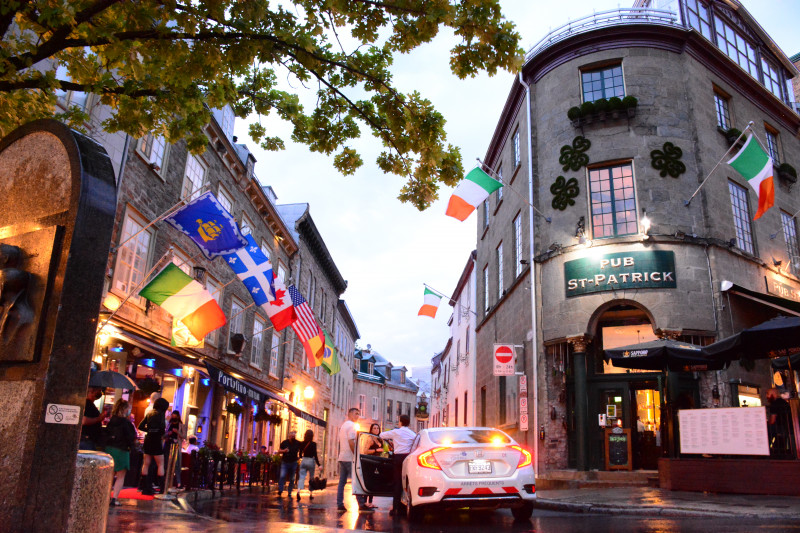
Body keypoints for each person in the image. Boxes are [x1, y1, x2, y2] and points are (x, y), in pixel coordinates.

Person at [380, 413, 416, 517]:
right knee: (406, 482)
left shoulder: (396, 432)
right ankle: (405, 506)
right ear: (408, 423)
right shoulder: (412, 434)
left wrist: (392, 441)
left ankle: (395, 508)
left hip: (397, 458)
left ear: (400, 422)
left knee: (397, 482)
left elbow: (382, 435)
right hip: (407, 458)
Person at [337, 407, 369, 512]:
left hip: (342, 457)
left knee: (342, 482)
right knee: (357, 481)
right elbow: (351, 442)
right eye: (356, 413)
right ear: (349, 414)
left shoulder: (343, 425)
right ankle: (361, 504)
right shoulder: (351, 426)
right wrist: (356, 455)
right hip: (350, 458)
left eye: (358, 414)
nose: (357, 416)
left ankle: (339, 504)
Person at [105, 399, 137, 507]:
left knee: (110, 475)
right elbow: (130, 437)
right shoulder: (126, 423)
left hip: (110, 449)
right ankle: (114, 499)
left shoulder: (111, 421)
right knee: (120, 476)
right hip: (122, 450)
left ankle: (107, 497)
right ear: (125, 409)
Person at [138, 397, 168, 496]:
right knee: (160, 464)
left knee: (146, 464)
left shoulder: (149, 413)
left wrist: (150, 431)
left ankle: (145, 487)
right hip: (156, 440)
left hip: (148, 439)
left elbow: (140, 426)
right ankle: (162, 488)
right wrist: (159, 433)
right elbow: (162, 429)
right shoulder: (161, 414)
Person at [362, 423, 383, 508]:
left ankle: (370, 502)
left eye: (377, 428)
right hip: (370, 462)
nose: (376, 430)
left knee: (373, 482)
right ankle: (365, 502)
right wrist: (376, 450)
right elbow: (365, 451)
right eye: (374, 428)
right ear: (371, 430)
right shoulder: (370, 439)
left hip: (376, 462)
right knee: (369, 482)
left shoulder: (379, 439)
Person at [296, 429, 321, 501]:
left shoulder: (302, 443)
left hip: (304, 460)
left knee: (301, 477)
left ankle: (298, 491)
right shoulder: (313, 444)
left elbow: (300, 454)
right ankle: (310, 494)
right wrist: (319, 465)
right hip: (310, 461)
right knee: (311, 478)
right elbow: (315, 455)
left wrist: (301, 457)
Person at [767, 388, 792, 457]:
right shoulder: (784, 402)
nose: (767, 396)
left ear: (773, 394)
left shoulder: (774, 404)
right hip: (787, 427)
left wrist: (767, 423)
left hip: (779, 427)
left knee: (769, 432)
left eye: (768, 393)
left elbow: (772, 421)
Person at [165, 410, 187, 489]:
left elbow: (184, 436)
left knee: (176, 463)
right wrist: (168, 434)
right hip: (168, 444)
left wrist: (177, 432)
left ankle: (178, 482)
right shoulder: (169, 424)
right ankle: (166, 481)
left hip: (176, 445)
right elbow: (165, 433)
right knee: (167, 462)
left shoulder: (181, 425)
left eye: (175, 415)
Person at [277, 430, 300, 498]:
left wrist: (300, 456)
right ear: (289, 436)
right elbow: (279, 451)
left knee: (292, 478)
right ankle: (280, 489)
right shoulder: (284, 442)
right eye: (291, 436)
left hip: (293, 462)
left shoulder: (297, 443)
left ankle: (289, 491)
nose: (293, 437)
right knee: (282, 475)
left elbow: (302, 449)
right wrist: (284, 451)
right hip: (285, 461)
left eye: (294, 436)